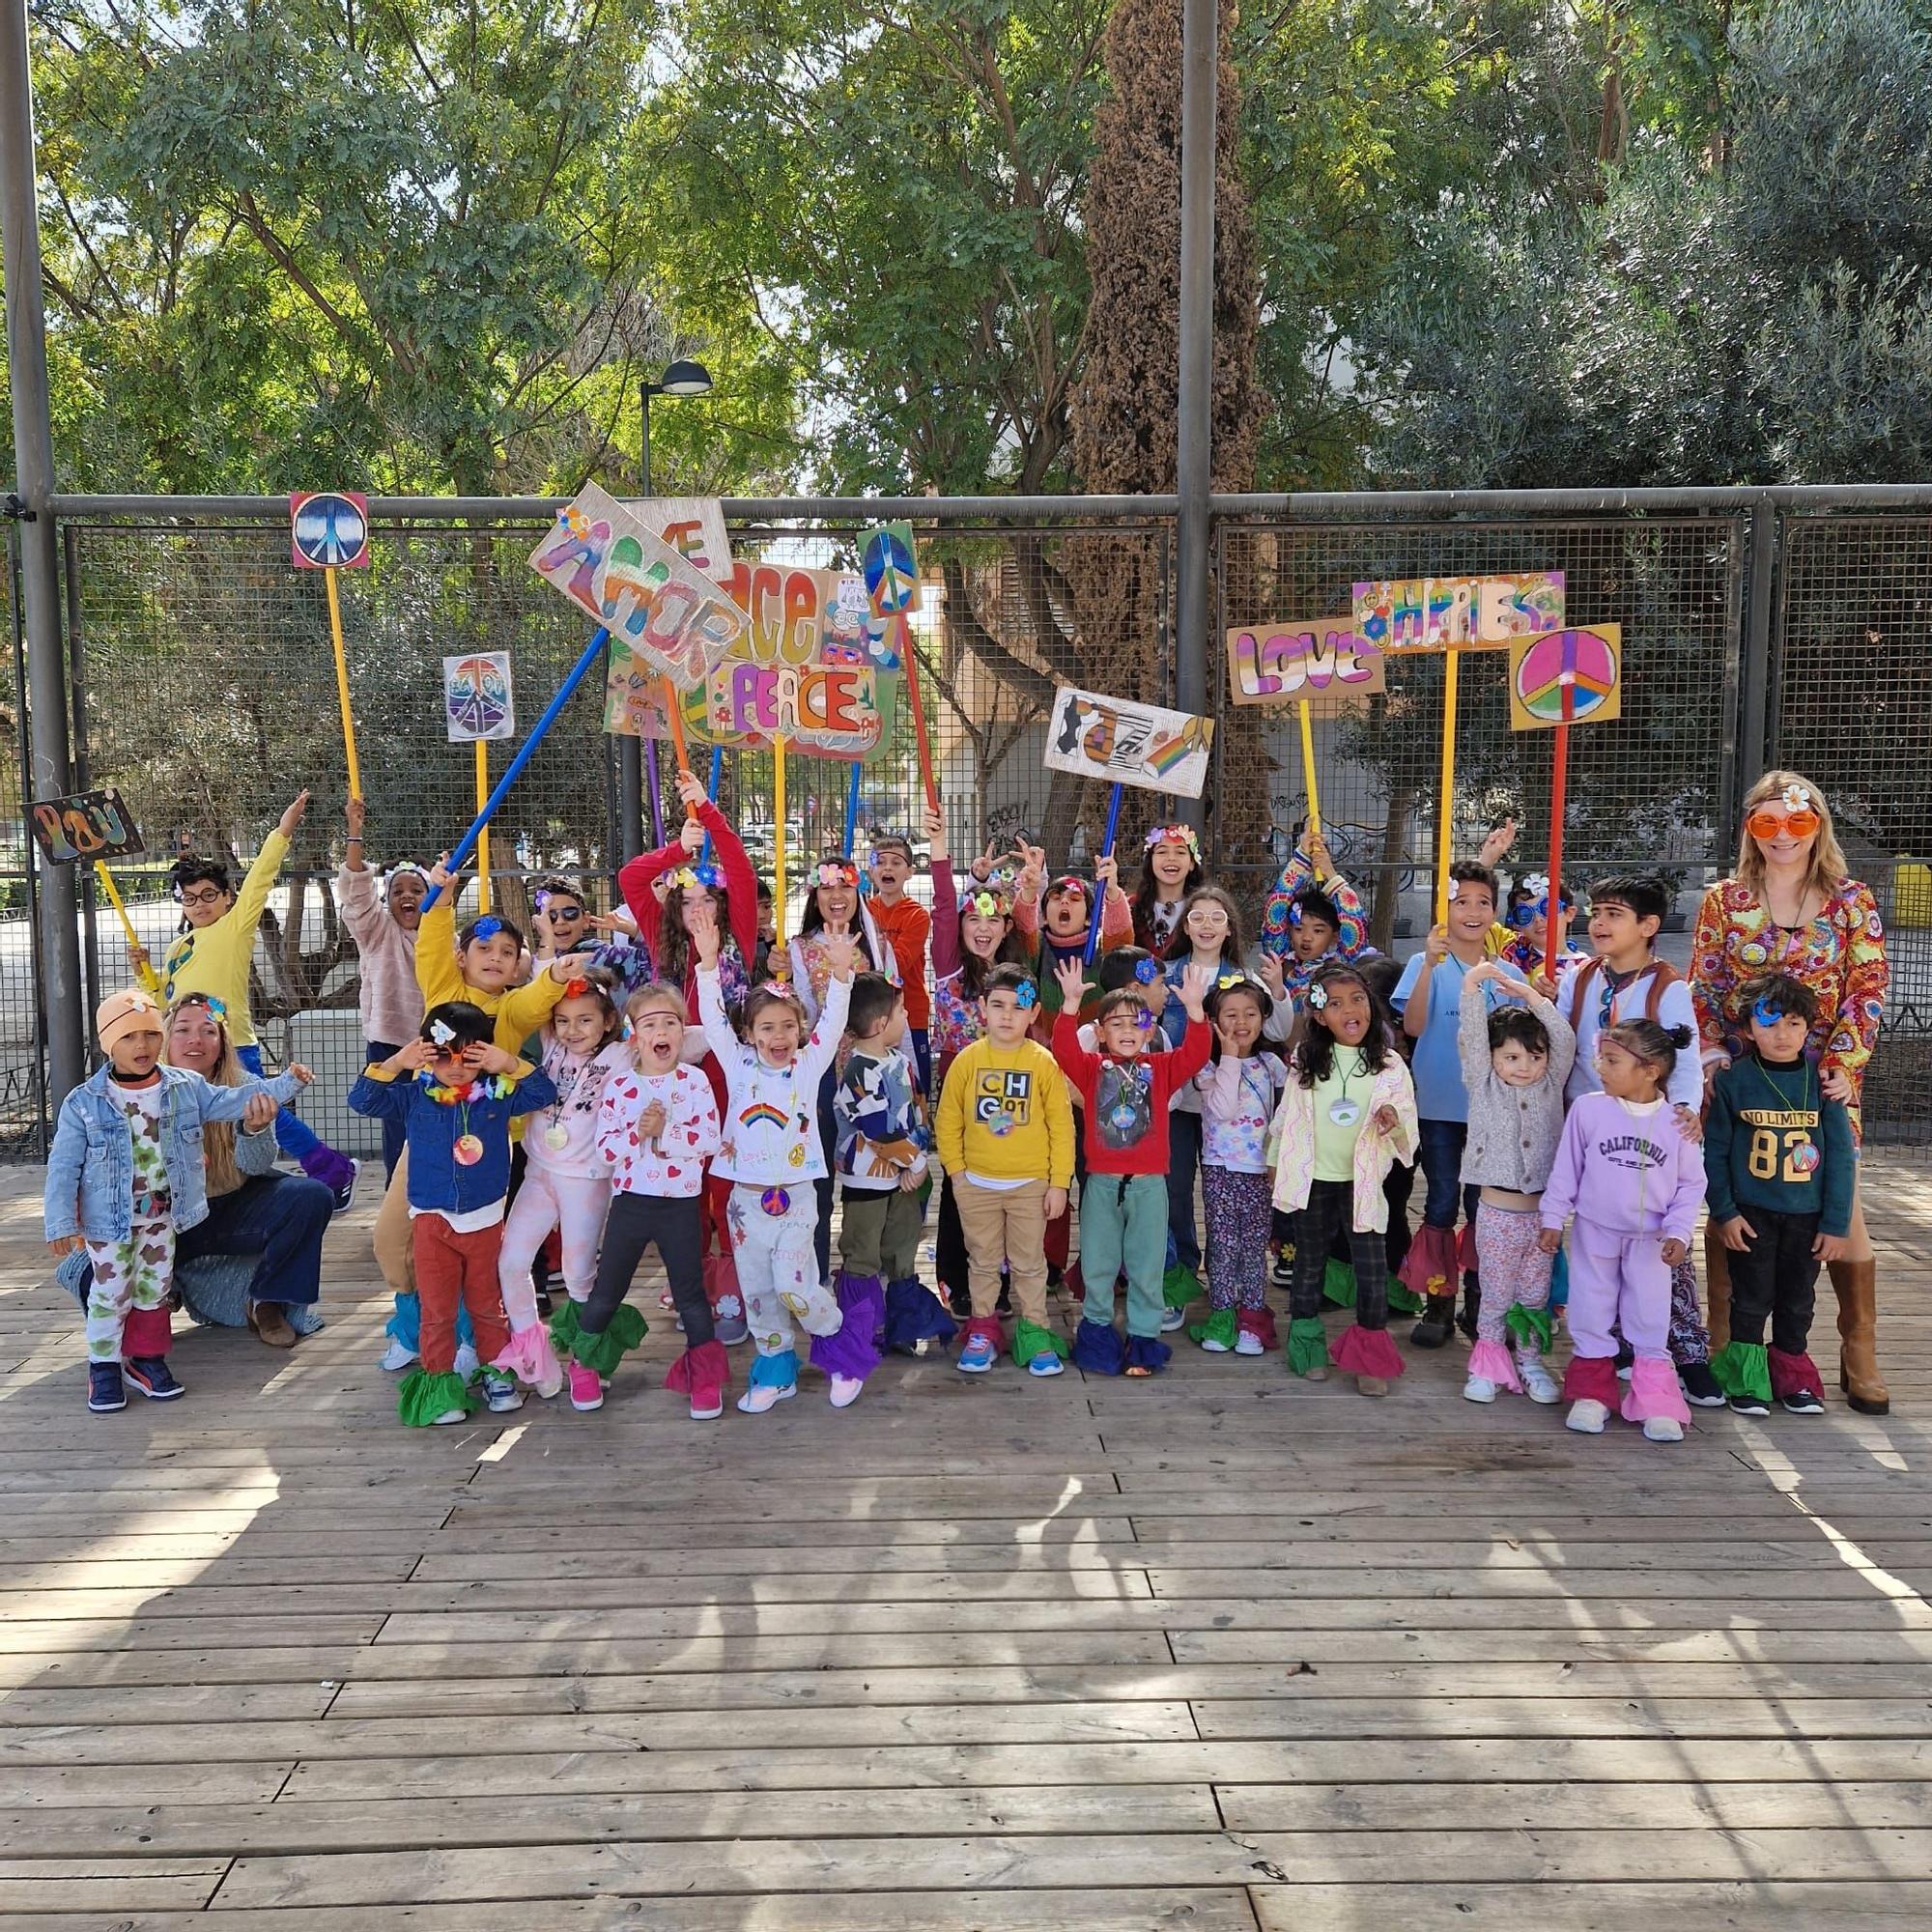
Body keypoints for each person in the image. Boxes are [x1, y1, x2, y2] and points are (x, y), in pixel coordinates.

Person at [1691, 770, 1889, 1414]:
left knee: (1839, 1200)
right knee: (1739, 1188)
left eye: (1797, 823)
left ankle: (1857, 1346)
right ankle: (1729, 1341)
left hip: (1824, 1080)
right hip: (1744, 1077)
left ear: (1818, 826)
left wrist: (1841, 1063)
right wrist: (1716, 1050)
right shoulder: (1724, 901)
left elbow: (1868, 988)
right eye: (1768, 823)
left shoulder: (1852, 899)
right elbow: (1706, 984)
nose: (1783, 835)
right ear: (1751, 828)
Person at [45, 990, 311, 1414]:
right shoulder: (84, 1103)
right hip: (109, 1222)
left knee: (154, 1290)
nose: (143, 1046)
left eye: (150, 1035)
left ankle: (147, 1360)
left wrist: (287, 1083)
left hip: (163, 1217)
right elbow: (63, 1166)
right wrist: (60, 1222)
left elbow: (235, 1101)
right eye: (129, 1036)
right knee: (112, 1292)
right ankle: (105, 1367)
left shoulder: (185, 1088)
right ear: (106, 1043)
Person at [375, 865, 582, 1371]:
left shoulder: (511, 1010)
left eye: (507, 953)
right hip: (427, 1141)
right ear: (461, 957)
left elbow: (537, 999)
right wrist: (442, 899)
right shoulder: (443, 990)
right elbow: (430, 946)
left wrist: (554, 975)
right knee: (392, 1239)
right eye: (485, 949)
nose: (495, 958)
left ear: (516, 966)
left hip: (490, 1147)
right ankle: (410, 1323)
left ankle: (469, 1337)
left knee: (477, 1252)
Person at [128, 791, 358, 1209]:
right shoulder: (179, 945)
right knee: (229, 1119)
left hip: (232, 1042)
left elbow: (260, 880)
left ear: (226, 897)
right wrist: (145, 971)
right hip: (187, 1052)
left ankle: (331, 1168)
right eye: (189, 897)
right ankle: (229, 1183)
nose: (198, 904)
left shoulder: (235, 928)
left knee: (263, 1112)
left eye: (207, 894)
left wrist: (283, 831)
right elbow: (166, 996)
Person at [691, 900, 874, 1412]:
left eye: (787, 1027)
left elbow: (834, 1024)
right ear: (749, 1034)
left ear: (800, 1031)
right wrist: (708, 965)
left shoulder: (809, 1066)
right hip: (746, 1202)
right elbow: (710, 1017)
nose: (778, 1037)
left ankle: (839, 1346)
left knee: (796, 1285)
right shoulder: (736, 1062)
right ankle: (775, 1368)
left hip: (796, 1196)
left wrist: (840, 976)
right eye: (767, 1028)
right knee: (758, 1293)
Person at [1555, 873, 1721, 1407]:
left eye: (1613, 914)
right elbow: (1562, 1042)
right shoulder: (1580, 977)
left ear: (1649, 926)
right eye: (1595, 912)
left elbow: (1686, 1058)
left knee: (1659, 1241)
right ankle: (1612, 1348)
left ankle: (1684, 1351)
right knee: (1599, 1242)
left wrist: (1682, 1117)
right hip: (1592, 1124)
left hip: (1649, 1131)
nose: (1598, 923)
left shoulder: (1665, 985)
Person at [349, 1001, 556, 1426]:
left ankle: (498, 1375)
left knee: (487, 1306)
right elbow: (362, 1100)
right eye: (444, 1055)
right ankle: (441, 1388)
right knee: (438, 1311)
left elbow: (544, 1092)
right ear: (427, 1051)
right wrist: (397, 1060)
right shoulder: (413, 1096)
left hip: (484, 1221)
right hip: (431, 1221)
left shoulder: (496, 1096)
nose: (456, 1067)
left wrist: (508, 1063)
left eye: (470, 1056)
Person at [618, 772, 760, 1346]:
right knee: (683, 1181)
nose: (699, 909)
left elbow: (742, 868)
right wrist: (681, 848)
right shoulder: (659, 937)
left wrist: (709, 810)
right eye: (688, 900)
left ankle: (732, 1288)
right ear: (674, 907)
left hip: (729, 1078)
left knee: (725, 1182)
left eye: (709, 899)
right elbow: (632, 876)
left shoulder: (741, 938)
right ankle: (688, 1281)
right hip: (670, 1080)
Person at [1539, 1019, 1704, 1443]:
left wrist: (1679, 1233)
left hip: (1651, 1240)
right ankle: (1592, 1393)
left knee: (1649, 1316)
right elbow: (1567, 1168)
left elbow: (1690, 1184)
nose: (1600, 1067)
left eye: (1612, 1060)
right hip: (1595, 1231)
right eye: (1600, 1058)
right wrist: (1553, 1217)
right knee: (1589, 1309)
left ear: (1650, 1070)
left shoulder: (1678, 1123)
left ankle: (1655, 1400)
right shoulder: (1588, 1109)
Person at [1052, 955, 1212, 1377]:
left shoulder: (1160, 1067)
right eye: (1116, 1024)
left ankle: (1143, 1336)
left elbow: (1197, 1054)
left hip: (1148, 1187)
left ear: (1149, 1029)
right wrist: (1069, 1007)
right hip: (1102, 1185)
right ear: (1101, 1032)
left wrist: (1196, 1012)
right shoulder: (1092, 1068)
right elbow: (1064, 1050)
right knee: (1098, 1263)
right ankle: (1098, 1331)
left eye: (1135, 1022)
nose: (1126, 1030)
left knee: (1146, 1265)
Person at [1704, 974, 1854, 1417]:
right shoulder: (1734, 1082)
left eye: (1792, 1023)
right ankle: (1746, 1378)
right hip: (1752, 1213)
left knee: (1798, 1299)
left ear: (1808, 1028)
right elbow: (1715, 1153)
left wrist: (1835, 1224)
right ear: (1748, 1029)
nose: (1782, 1035)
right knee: (1749, 1297)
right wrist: (1725, 1212)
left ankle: (1792, 1376)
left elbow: (1842, 1159)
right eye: (1769, 1024)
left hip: (1806, 1216)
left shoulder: (1823, 1085)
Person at [573, 982, 724, 1417]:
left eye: (671, 1023)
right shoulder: (620, 1086)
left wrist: (666, 1133)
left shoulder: (694, 1081)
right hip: (631, 1205)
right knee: (607, 1290)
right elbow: (605, 1150)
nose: (662, 1030)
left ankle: (705, 1377)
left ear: (682, 1033)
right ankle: (583, 1364)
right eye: (650, 1023)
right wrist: (638, 1132)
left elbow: (709, 1138)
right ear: (633, 1035)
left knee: (691, 1295)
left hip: (680, 1205)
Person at [1391, 862, 1527, 1347]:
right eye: (1461, 901)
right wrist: (1428, 965)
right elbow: (1411, 1026)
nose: (1472, 911)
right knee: (1442, 1202)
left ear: (1496, 911)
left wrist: (1538, 995)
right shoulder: (1424, 963)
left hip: (1494, 1113)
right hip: (1438, 1108)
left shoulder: (1509, 975)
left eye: (1483, 902)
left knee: (1485, 1210)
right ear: (1443, 909)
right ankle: (1438, 1304)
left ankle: (1481, 1306)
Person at [1270, 962, 1418, 1397]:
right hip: (1314, 1177)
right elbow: (1289, 1117)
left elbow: (1404, 1114)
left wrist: (1394, 1121)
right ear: (1319, 1015)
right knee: (1309, 1261)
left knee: (1371, 1267)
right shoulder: (1305, 1059)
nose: (1350, 1010)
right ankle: (1307, 1344)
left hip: (1363, 1181)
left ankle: (1370, 1353)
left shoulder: (1389, 1064)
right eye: (1335, 1004)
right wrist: (1276, 1161)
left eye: (1357, 1000)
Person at [160, 994, 334, 1347]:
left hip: (232, 1208)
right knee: (91, 1265)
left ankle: (267, 1299)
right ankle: (163, 1292)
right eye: (183, 1030)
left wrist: (254, 1130)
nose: (195, 1039)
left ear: (222, 1043)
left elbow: (255, 1166)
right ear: (164, 1039)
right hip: (166, 1220)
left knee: (311, 1195)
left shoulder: (243, 1086)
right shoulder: (143, 1090)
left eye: (208, 1031)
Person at [494, 970, 631, 1398]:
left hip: (586, 1181)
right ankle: (532, 1353)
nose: (573, 1030)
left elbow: (682, 1035)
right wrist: (552, 953)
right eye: (564, 1020)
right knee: (511, 1263)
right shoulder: (552, 1045)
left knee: (578, 1275)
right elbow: (542, 983)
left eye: (585, 1020)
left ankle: (589, 1360)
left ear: (608, 1021)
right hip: (538, 1171)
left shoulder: (623, 1055)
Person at [934, 965, 1074, 1377]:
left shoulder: (1043, 1063)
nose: (1007, 1015)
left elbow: (1062, 1126)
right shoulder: (967, 1061)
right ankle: (982, 1329)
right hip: (976, 1183)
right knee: (982, 1261)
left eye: (1018, 1007)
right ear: (983, 1009)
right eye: (998, 1005)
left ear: (1033, 1013)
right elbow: (948, 1121)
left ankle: (1034, 1329)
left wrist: (1059, 1183)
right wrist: (958, 1175)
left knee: (1030, 1263)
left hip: (1030, 1184)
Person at [923, 806, 1035, 1318]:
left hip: (1011, 1083)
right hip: (958, 1082)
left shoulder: (1018, 971)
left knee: (1005, 1178)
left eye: (993, 919)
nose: (983, 928)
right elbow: (943, 905)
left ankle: (1004, 1274)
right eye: (975, 919)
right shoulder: (949, 966)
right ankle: (955, 1277)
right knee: (960, 1180)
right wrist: (941, 849)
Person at [1456, 961, 1576, 1405]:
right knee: (1496, 1292)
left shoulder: (1551, 1086)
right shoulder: (1483, 1084)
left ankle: (1529, 1360)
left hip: (1542, 1218)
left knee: (1534, 1293)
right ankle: (1487, 1360)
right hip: (1497, 1215)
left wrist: (1531, 997)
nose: (1524, 1066)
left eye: (1533, 1056)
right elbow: (1471, 1037)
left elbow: (1563, 1038)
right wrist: (1472, 986)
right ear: (1492, 1059)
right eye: (1511, 1057)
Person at [789, 853, 901, 1286]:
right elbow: (801, 1015)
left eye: (845, 887)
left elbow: (893, 1016)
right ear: (815, 896)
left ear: (858, 892)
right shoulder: (799, 950)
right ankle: (813, 1273)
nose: (837, 897)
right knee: (818, 1177)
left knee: (870, 1178)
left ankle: (866, 1274)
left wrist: (903, 1076)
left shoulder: (877, 947)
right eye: (826, 888)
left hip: (871, 1078)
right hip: (822, 1079)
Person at [834, 973, 948, 1360]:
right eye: (901, 1010)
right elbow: (878, 1130)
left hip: (906, 1178)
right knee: (863, 1253)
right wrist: (914, 1162)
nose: (906, 1015)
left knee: (902, 1249)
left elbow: (916, 1110)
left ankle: (901, 1325)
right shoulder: (858, 1070)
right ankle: (862, 1329)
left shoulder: (899, 1060)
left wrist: (918, 1162)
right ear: (881, 1023)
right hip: (868, 1182)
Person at [1155, 886, 1247, 1324]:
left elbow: (1276, 1029)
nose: (1207, 926)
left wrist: (1281, 995)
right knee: (1173, 1192)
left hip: (1230, 1111)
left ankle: (1227, 1278)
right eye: (1198, 917)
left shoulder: (1245, 979)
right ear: (1184, 926)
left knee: (1226, 1195)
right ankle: (1178, 1277)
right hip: (1175, 1105)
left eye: (1217, 917)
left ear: (1229, 928)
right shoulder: (1165, 976)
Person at [1187, 972, 1287, 1356]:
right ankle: (1223, 1313)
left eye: (1250, 1014)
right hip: (1220, 1170)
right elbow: (1224, 1108)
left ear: (1262, 1020)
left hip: (1261, 1172)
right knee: (1224, 1246)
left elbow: (1292, 1103)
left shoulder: (1271, 1064)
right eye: (1230, 1015)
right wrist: (1228, 1056)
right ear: (1214, 1021)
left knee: (1254, 1247)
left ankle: (1252, 1316)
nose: (1240, 1023)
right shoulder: (1207, 1070)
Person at [335, 796, 427, 1181]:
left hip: (432, 1043)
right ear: (387, 901)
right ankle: (396, 1196)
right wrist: (355, 833)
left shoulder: (443, 939)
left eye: (416, 890)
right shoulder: (377, 932)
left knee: (434, 1121)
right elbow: (357, 894)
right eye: (397, 891)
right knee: (396, 1127)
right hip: (389, 1043)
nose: (406, 896)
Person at [1259, 828, 1372, 988]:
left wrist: (1330, 874)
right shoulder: (1281, 963)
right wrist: (1302, 856)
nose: (1306, 937)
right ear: (1289, 930)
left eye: (1318, 931)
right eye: (1298, 929)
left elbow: (1355, 924)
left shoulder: (1341, 969)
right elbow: (1274, 910)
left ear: (1335, 936)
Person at [865, 830, 934, 1093]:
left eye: (895, 863)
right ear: (871, 870)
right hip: (870, 1014)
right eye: (880, 862)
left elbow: (898, 965)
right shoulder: (864, 909)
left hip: (909, 1013)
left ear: (910, 871)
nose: (887, 868)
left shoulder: (917, 915)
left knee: (915, 1087)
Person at [1131, 824, 1204, 953]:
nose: (1171, 858)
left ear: (1192, 863)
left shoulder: (1203, 909)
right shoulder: (1131, 907)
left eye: (1180, 852)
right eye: (1162, 852)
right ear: (1150, 861)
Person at [1500, 874, 1585, 976]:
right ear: (1516, 924)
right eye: (1525, 915)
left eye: (1547, 909)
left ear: (1569, 913)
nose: (1537, 919)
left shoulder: (1586, 969)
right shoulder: (1508, 947)